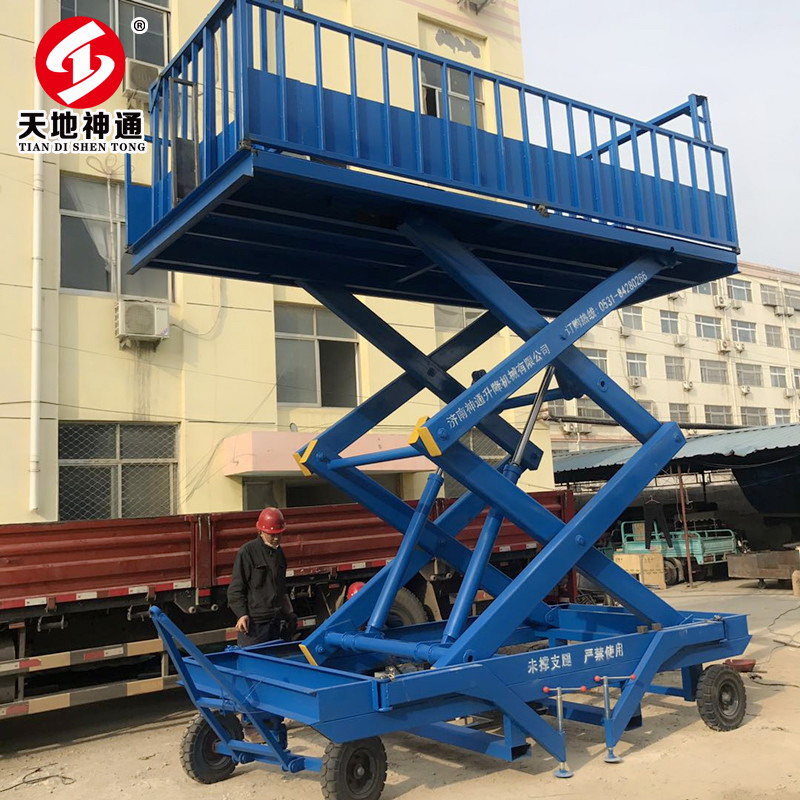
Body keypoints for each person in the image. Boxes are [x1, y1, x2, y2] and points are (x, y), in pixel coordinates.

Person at [227, 507, 296, 646]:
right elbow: (235, 589)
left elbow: (281, 589)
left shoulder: (279, 553)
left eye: (279, 534)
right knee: (253, 659)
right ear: (260, 531)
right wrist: (242, 615)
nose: (276, 538)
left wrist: (290, 614)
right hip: (254, 625)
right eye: (272, 535)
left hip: (275, 622)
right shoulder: (248, 552)